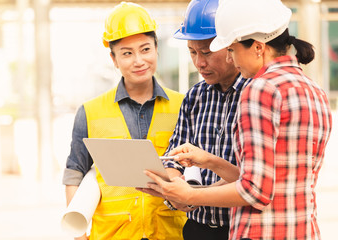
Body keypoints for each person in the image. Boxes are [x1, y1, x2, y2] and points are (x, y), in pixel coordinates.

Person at [142, 0, 333, 239]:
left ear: (258, 47)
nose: (232, 59)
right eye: (193, 52)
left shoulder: (259, 89)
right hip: (302, 229)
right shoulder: (313, 89)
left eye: (231, 50)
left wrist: (190, 196)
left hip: (260, 231)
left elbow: (256, 190)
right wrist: (208, 162)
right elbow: (270, 179)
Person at [62, 2, 187, 240]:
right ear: (114, 59)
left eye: (145, 49)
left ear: (157, 49)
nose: (139, 60)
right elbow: (74, 173)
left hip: (170, 232)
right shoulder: (89, 111)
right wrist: (79, 234)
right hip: (113, 233)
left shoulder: (184, 106)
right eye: (127, 53)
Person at [140, 0, 250, 239]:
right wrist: (178, 192)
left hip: (242, 228)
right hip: (196, 229)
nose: (200, 63)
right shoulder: (195, 96)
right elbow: (173, 159)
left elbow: (255, 179)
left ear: (231, 46)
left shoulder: (256, 94)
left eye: (207, 53)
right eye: (192, 52)